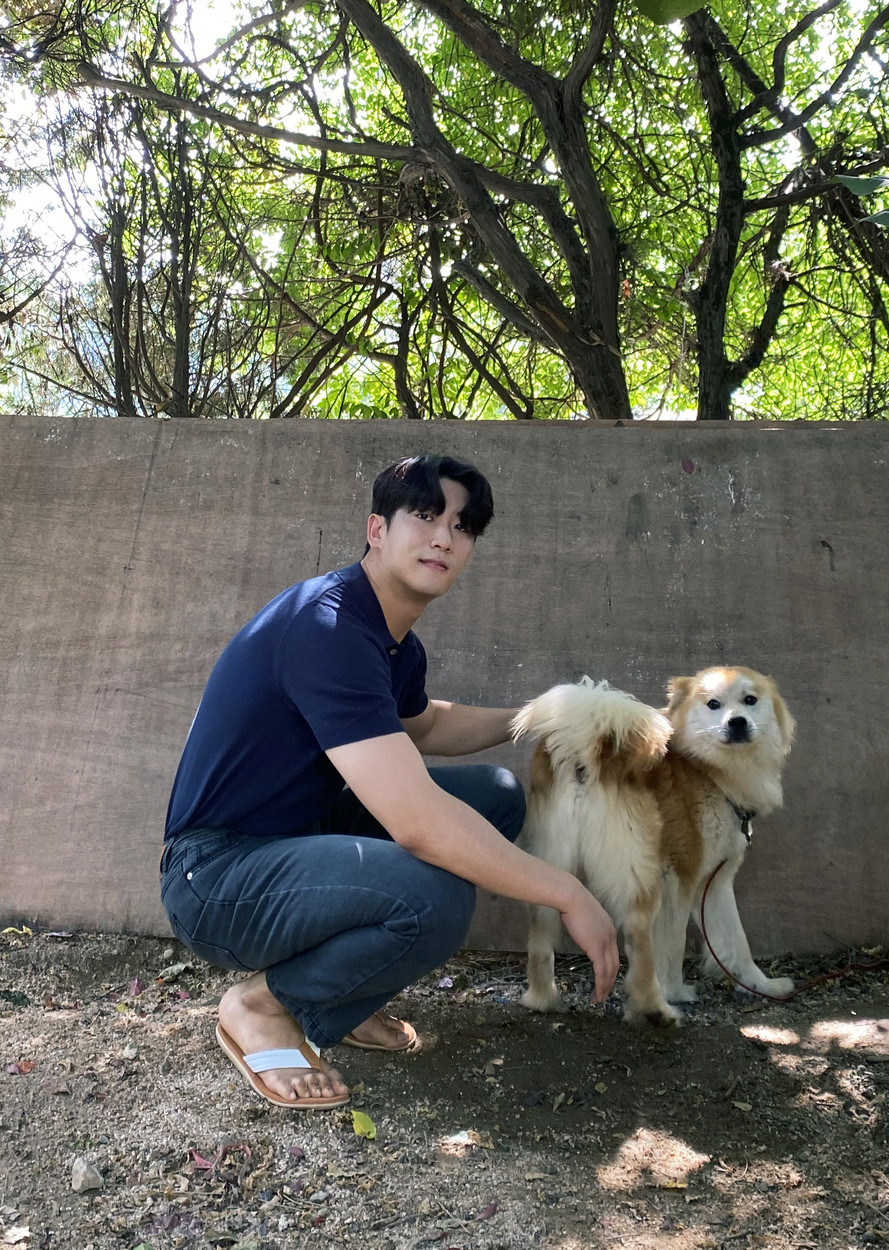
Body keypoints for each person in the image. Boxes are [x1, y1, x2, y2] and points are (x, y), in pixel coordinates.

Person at [160, 452, 619, 1110]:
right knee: (433, 898)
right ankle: (264, 1006)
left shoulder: (393, 640)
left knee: (495, 797)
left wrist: (537, 718)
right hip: (217, 876)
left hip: (297, 840)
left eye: (462, 527)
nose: (444, 538)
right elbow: (418, 826)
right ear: (377, 529)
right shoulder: (328, 628)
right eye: (426, 516)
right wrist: (567, 893)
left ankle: (337, 999)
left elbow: (423, 725)